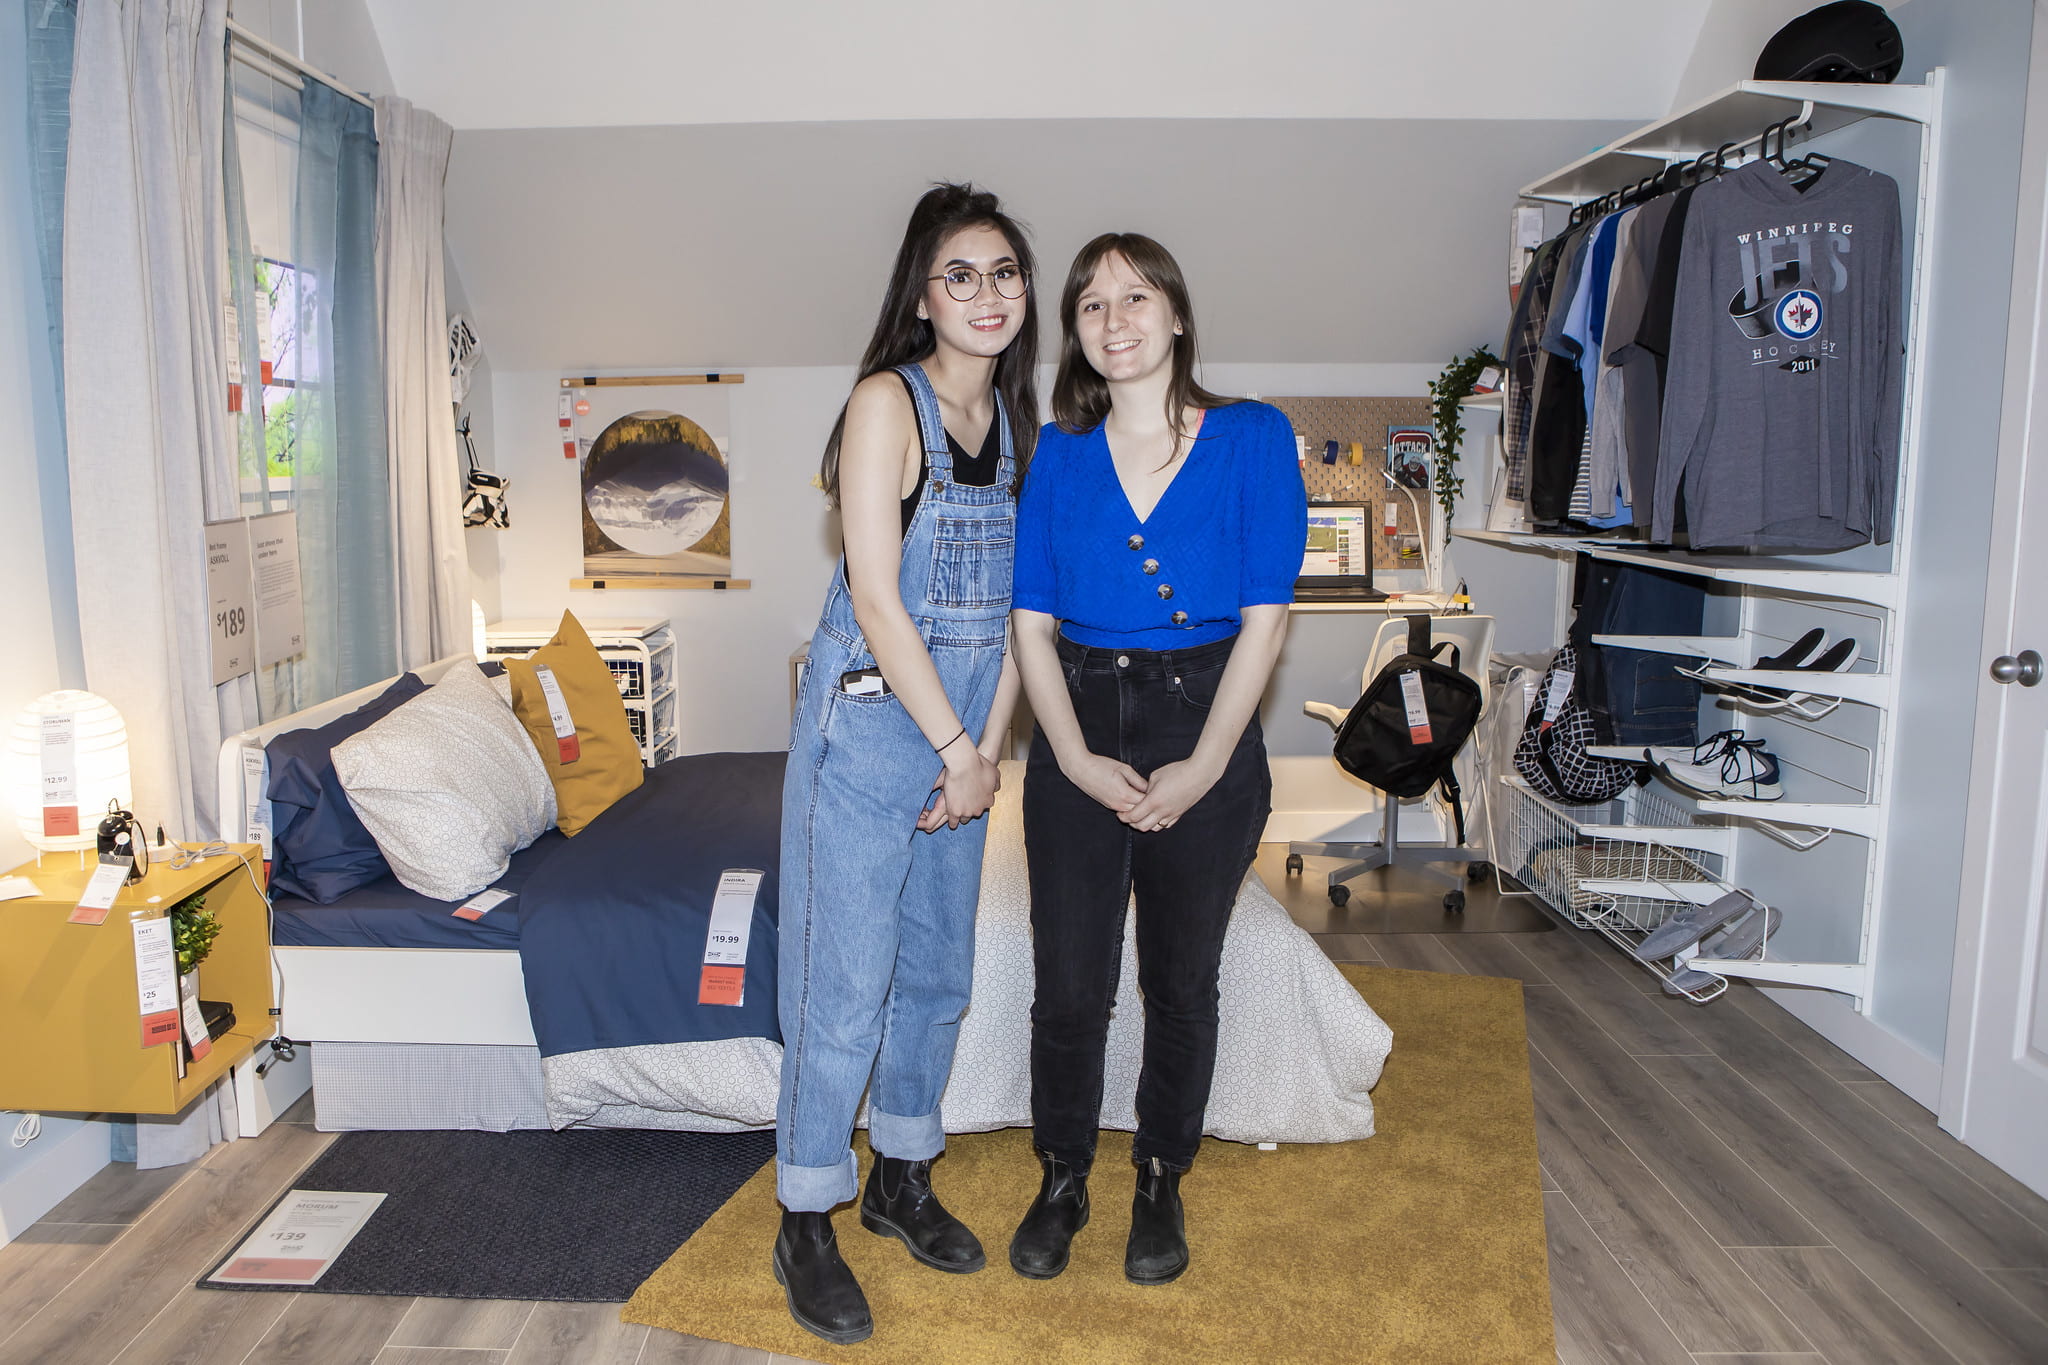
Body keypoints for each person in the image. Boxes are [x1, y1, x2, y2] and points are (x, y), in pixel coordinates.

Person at [1007, 233, 1306, 1285]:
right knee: (1067, 986)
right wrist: (1075, 759)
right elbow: (1030, 626)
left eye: (1135, 297)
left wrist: (1205, 765)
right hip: (1076, 719)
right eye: (1091, 305)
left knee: (1181, 981)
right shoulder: (1057, 454)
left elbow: (1266, 620)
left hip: (1202, 718)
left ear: (1175, 313)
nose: (1114, 320)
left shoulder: (1253, 436)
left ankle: (1158, 1177)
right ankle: (1062, 1177)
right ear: (1075, 334)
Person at [774, 183, 1035, 1345]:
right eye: (959, 275)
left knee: (936, 973)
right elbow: (877, 600)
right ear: (921, 297)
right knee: (842, 984)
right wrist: (952, 748)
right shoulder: (886, 403)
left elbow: (1022, 614)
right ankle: (804, 1213)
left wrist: (987, 754)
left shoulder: (1018, 424)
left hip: (962, 742)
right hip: (874, 732)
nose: (986, 295)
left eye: (1004, 273)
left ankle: (901, 1175)